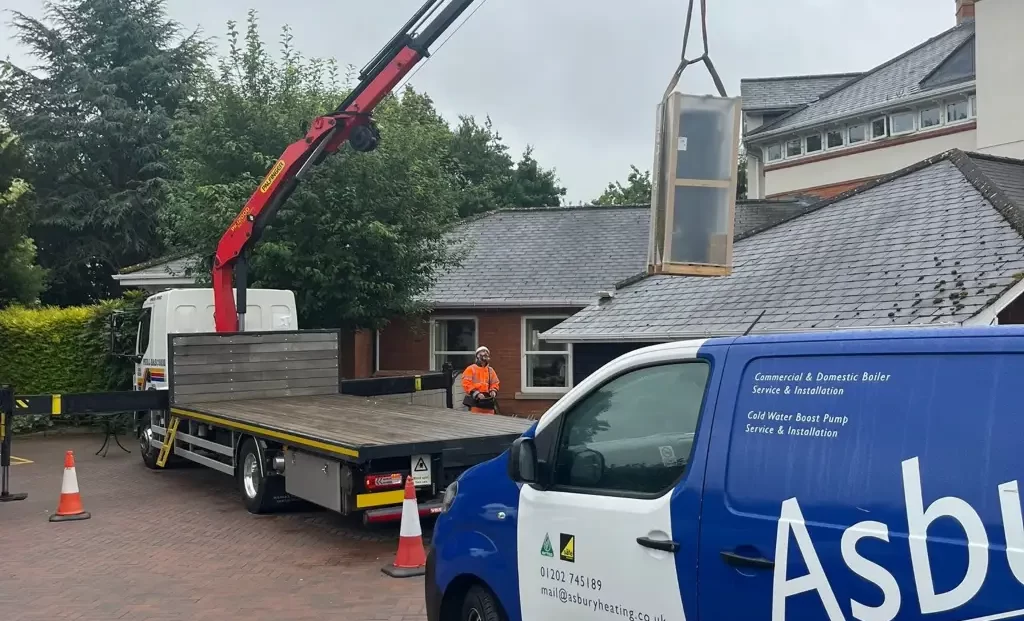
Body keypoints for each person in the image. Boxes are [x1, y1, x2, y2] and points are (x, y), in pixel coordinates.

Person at [461, 346, 500, 415]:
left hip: (488, 400)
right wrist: (477, 394)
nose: (485, 353)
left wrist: (493, 390)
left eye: (487, 352)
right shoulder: (471, 369)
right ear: (477, 356)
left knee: (490, 421)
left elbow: (495, 383)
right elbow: (466, 383)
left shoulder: (490, 370)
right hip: (476, 400)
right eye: (483, 351)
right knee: (476, 421)